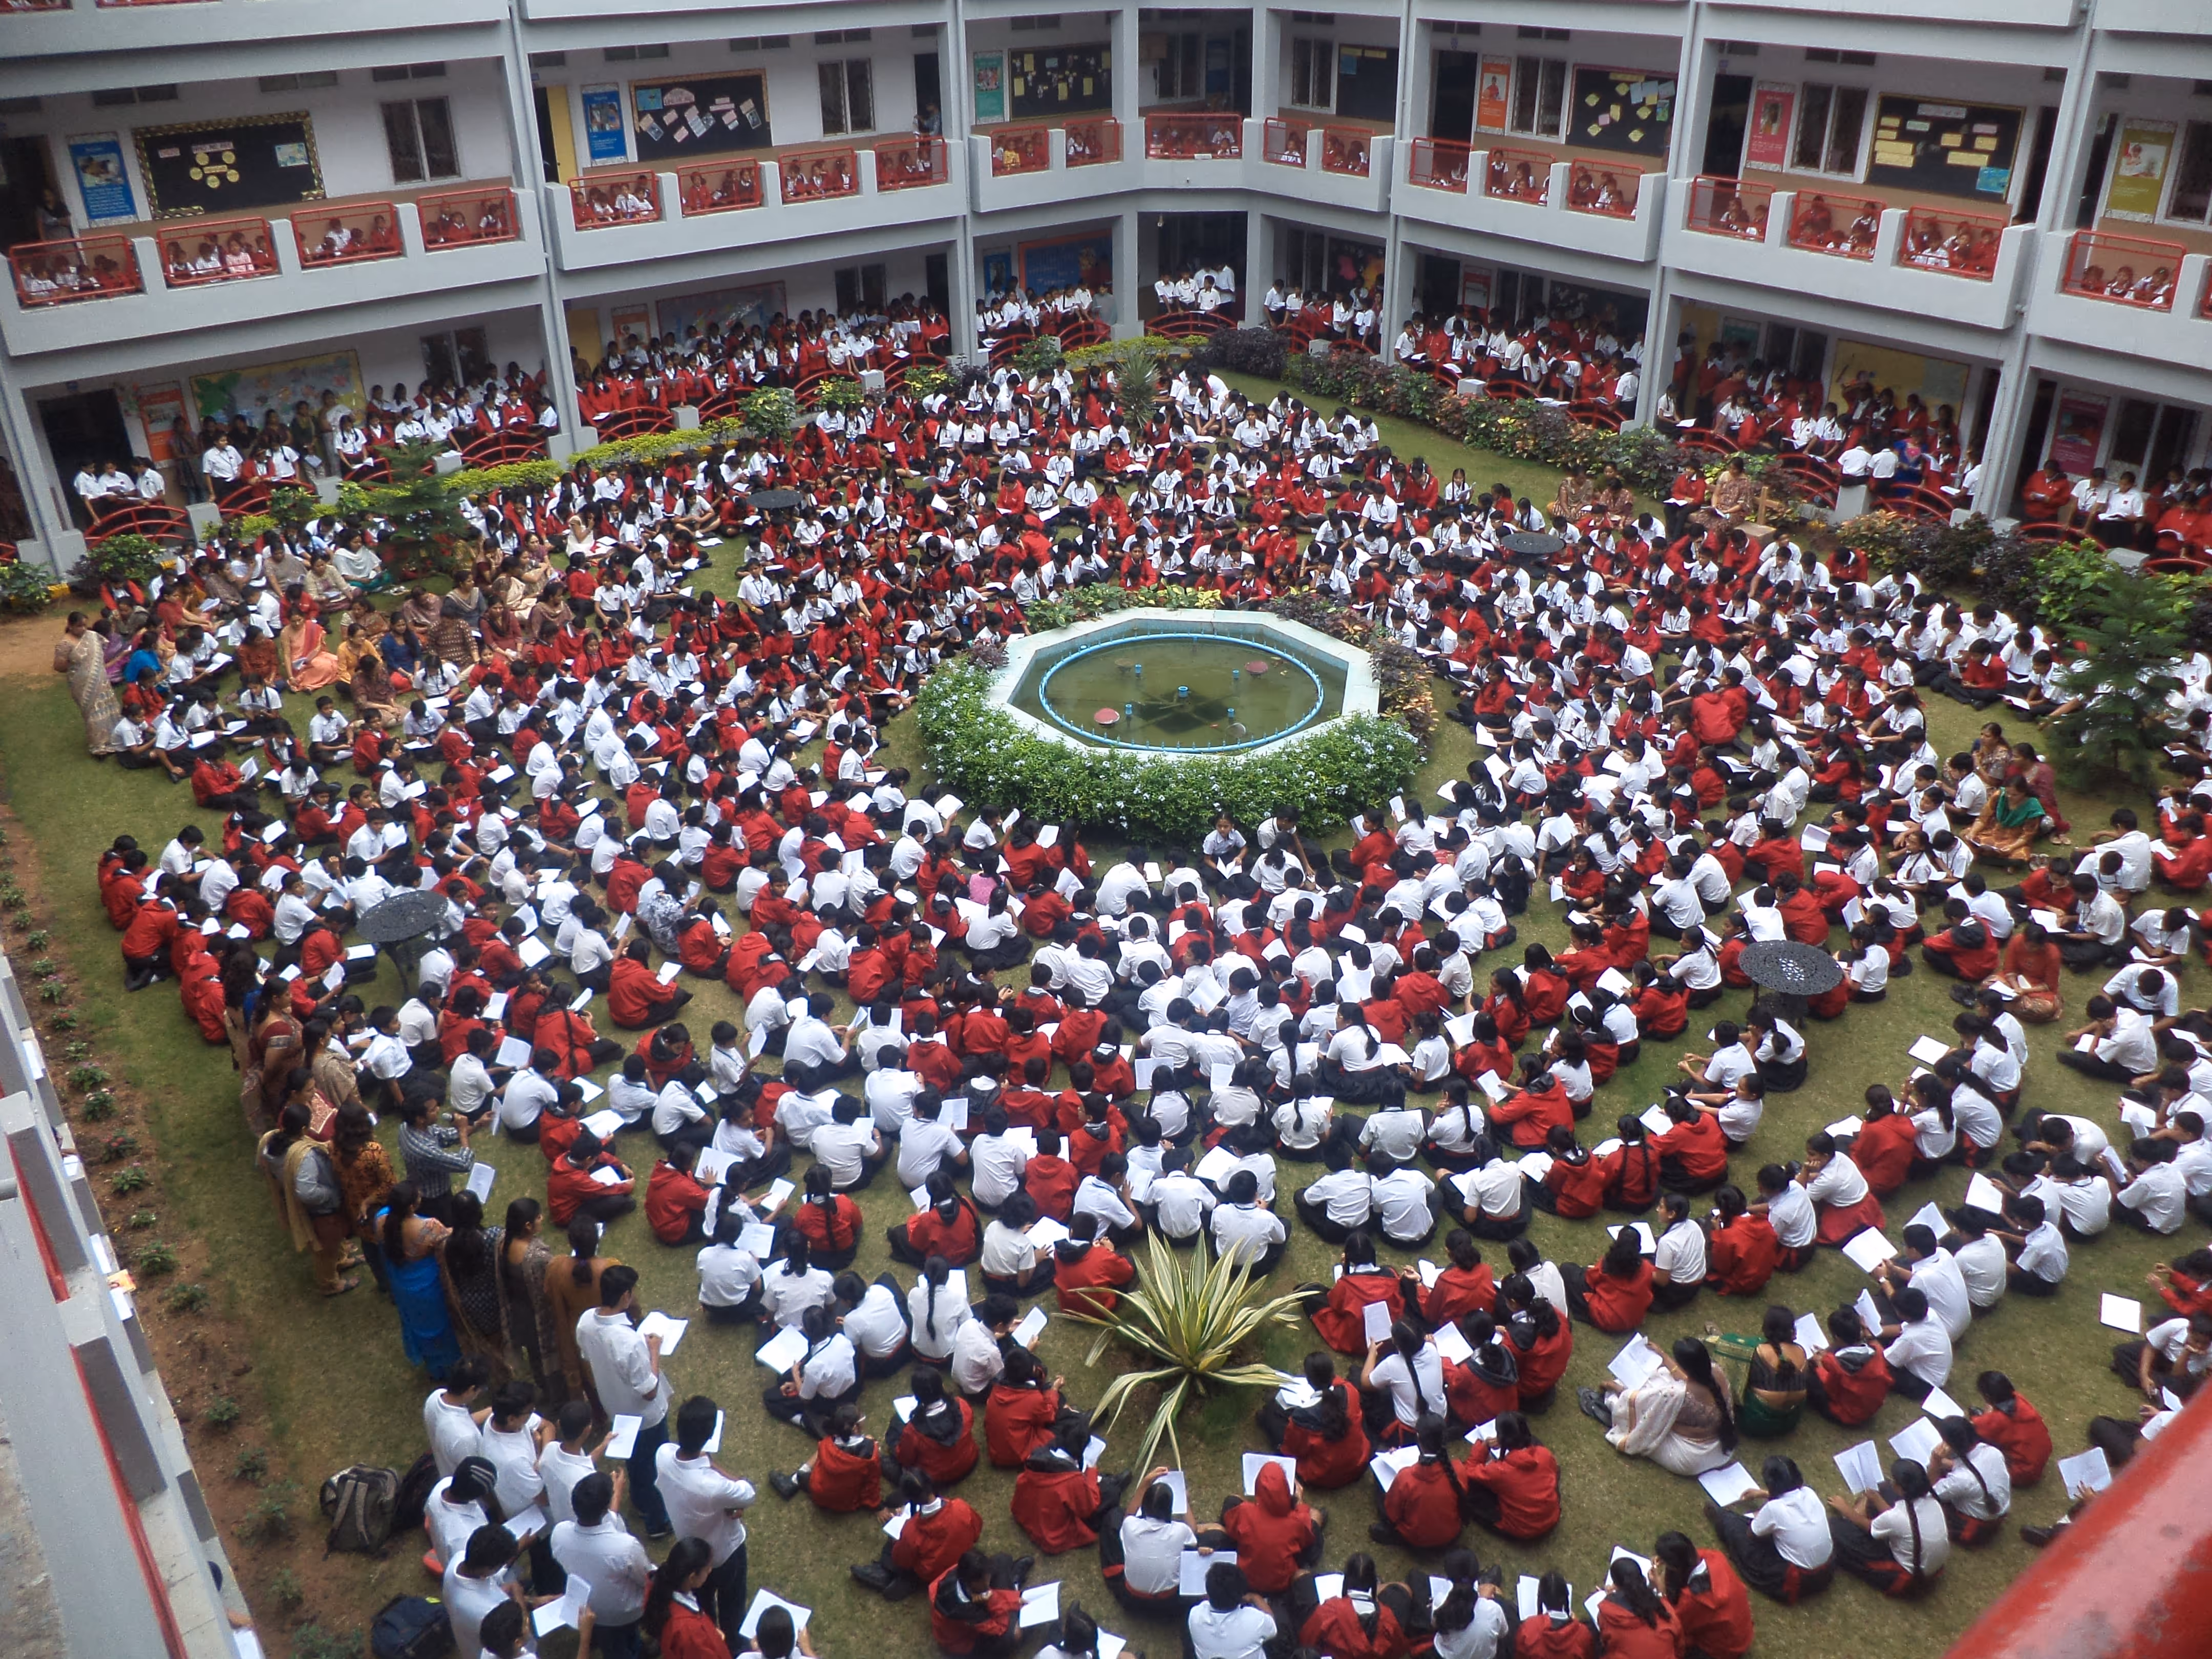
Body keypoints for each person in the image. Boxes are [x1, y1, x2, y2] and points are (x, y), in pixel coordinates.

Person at [574, 1265, 674, 1538]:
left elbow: (587, 1357)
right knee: (652, 1466)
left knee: (636, 1460)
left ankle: (642, 1503)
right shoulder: (629, 1342)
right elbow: (650, 1391)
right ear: (626, 1296)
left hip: (615, 1405)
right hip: (646, 1416)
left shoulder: (585, 1322)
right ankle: (657, 1521)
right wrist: (654, 1350)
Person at [656, 1394, 756, 1648]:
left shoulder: (663, 1454)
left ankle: (711, 1638)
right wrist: (711, 1463)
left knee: (702, 1604)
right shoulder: (713, 1486)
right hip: (725, 1555)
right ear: (710, 1436)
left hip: (692, 1553)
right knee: (732, 1605)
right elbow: (746, 1492)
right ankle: (732, 1644)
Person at [1707, 1454, 1835, 1604]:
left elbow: (1752, 1535)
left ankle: (1720, 1517)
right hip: (1827, 1570)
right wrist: (1763, 1494)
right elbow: (1789, 1498)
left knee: (1736, 1528)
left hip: (1797, 1580)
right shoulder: (1809, 1493)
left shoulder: (1775, 1509)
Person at [1825, 1459, 1949, 1596]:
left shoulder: (1898, 1516)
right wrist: (1877, 1499)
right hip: (1927, 1562)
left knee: (1834, 1528)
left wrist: (1845, 1509)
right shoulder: (1933, 1502)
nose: (1892, 1481)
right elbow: (1901, 1520)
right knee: (1884, 1489)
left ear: (1902, 1488)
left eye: (1894, 1480)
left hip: (1906, 1575)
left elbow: (1869, 1527)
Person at [57, 613, 123, 757]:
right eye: (79, 626)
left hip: (102, 680)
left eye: (85, 625)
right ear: (70, 626)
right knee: (92, 713)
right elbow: (59, 666)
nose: (83, 629)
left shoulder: (92, 635)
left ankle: (115, 737)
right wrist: (80, 666)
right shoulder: (65, 644)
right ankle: (99, 746)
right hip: (82, 685)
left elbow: (103, 648)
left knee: (109, 707)